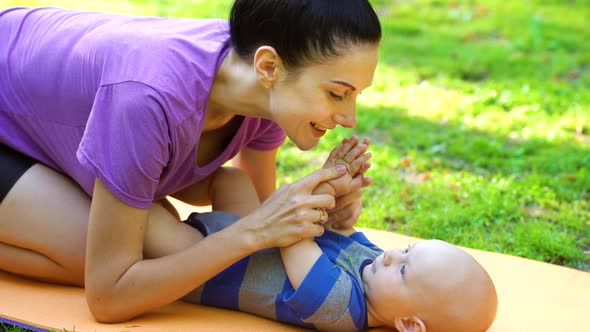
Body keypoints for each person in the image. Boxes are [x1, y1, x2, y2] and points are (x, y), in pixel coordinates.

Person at [0, 0, 381, 323]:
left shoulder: (264, 95)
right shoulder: (147, 99)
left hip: (30, 121)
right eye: (336, 94)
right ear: (268, 67)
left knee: (144, 241)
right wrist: (253, 231)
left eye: (356, 95)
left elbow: (259, 228)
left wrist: (323, 217)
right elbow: (108, 297)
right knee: (90, 254)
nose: (350, 117)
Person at [180, 139, 498, 332]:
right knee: (231, 179)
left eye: (403, 269)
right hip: (248, 237)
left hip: (211, 266)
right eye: (407, 249)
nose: (390, 255)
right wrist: (344, 203)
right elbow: (337, 232)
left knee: (150, 225)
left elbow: (294, 234)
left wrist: (325, 184)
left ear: (410, 324)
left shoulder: (339, 307)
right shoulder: (374, 266)